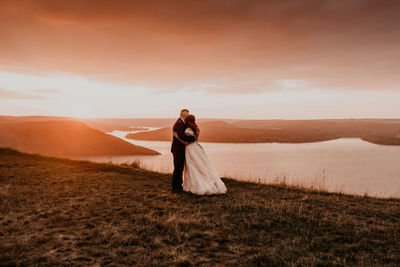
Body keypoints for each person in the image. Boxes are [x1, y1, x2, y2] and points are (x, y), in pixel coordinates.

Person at [173, 114, 227, 195]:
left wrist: (177, 137)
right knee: (200, 166)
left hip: (190, 149)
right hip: (196, 148)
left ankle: (197, 185)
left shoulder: (188, 129)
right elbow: (196, 139)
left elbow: (187, 142)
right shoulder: (196, 129)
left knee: (193, 167)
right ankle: (205, 182)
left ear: (187, 121)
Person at [170, 109, 196, 193]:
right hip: (178, 150)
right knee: (178, 168)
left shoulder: (182, 123)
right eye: (187, 115)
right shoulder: (179, 124)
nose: (188, 116)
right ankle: (175, 187)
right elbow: (182, 137)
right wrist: (193, 138)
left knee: (179, 168)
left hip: (179, 149)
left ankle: (178, 186)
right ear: (184, 115)